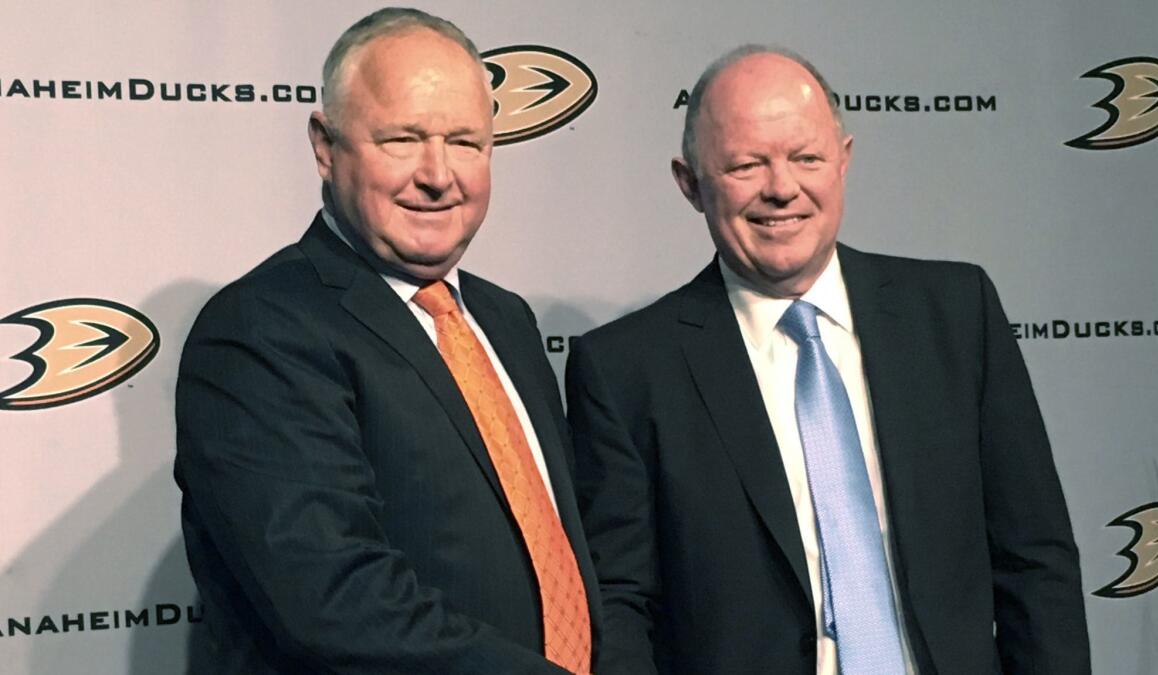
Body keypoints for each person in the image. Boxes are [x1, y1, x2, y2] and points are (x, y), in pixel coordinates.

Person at [566, 45, 1090, 674]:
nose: (782, 188)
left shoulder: (956, 314)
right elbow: (623, 608)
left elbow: (1036, 562)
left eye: (806, 158)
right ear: (690, 184)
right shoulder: (627, 370)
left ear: (843, 162)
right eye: (746, 165)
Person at [175, 8, 597, 673]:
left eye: (465, 142)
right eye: (402, 139)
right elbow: (335, 599)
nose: (437, 173)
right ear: (325, 146)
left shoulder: (506, 319)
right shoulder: (259, 330)